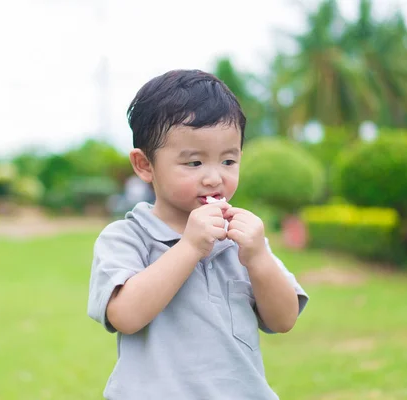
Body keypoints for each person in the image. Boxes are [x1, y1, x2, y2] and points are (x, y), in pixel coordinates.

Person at [87, 69, 309, 400]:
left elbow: (283, 319)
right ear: (145, 165)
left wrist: (259, 258)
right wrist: (190, 246)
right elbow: (126, 316)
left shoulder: (242, 238)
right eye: (194, 163)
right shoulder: (125, 238)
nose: (213, 178)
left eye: (228, 161)